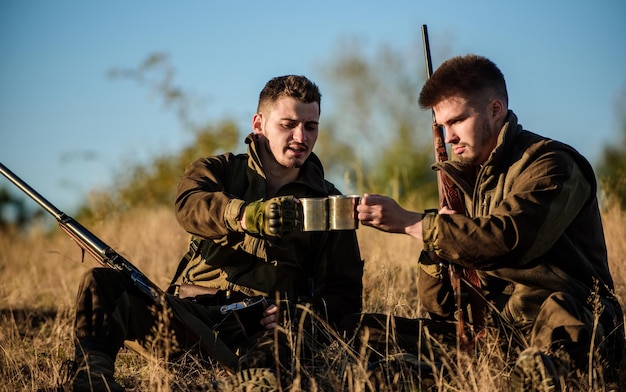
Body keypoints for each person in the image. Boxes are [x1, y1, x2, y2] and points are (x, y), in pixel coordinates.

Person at [69, 75, 363, 391]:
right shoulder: (219, 171)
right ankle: (92, 380)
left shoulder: (331, 205)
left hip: (264, 330)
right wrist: (244, 215)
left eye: (310, 126)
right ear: (259, 124)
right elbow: (188, 205)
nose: (300, 137)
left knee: (278, 356)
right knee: (101, 283)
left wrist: (299, 315)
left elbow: (345, 300)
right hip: (190, 318)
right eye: (288, 124)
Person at [354, 54, 625, 390]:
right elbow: (439, 307)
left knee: (560, 315)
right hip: (496, 334)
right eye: (441, 126)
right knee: (361, 330)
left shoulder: (552, 164)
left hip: (560, 322)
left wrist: (414, 224)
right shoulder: (465, 183)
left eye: (457, 121)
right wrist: (436, 251)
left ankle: (539, 375)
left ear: (495, 110)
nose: (449, 136)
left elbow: (508, 240)